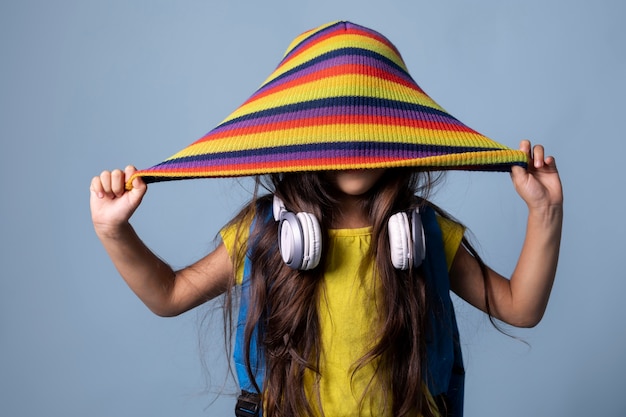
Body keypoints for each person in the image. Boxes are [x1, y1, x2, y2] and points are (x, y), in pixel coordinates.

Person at [90, 21, 563, 417]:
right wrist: (115, 231)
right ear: (300, 138)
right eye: (333, 127)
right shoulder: (265, 233)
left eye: (370, 125)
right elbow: (169, 295)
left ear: (402, 134)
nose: (353, 145)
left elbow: (520, 307)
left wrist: (546, 211)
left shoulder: (421, 232)